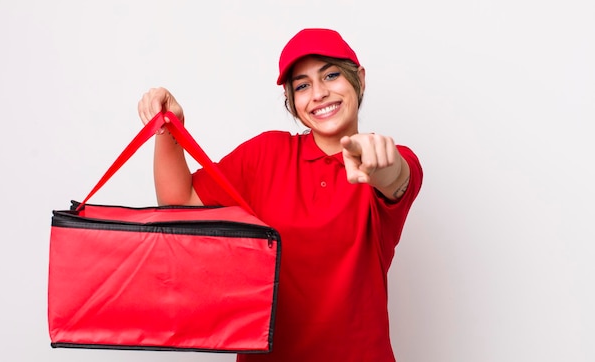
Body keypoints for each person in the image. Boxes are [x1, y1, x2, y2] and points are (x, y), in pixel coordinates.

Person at [137, 28, 423, 362]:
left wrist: (381, 166)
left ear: (358, 77)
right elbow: (179, 204)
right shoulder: (266, 155)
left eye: (331, 75)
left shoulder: (391, 157)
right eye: (302, 85)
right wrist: (171, 126)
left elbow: (396, 178)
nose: (318, 93)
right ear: (291, 100)